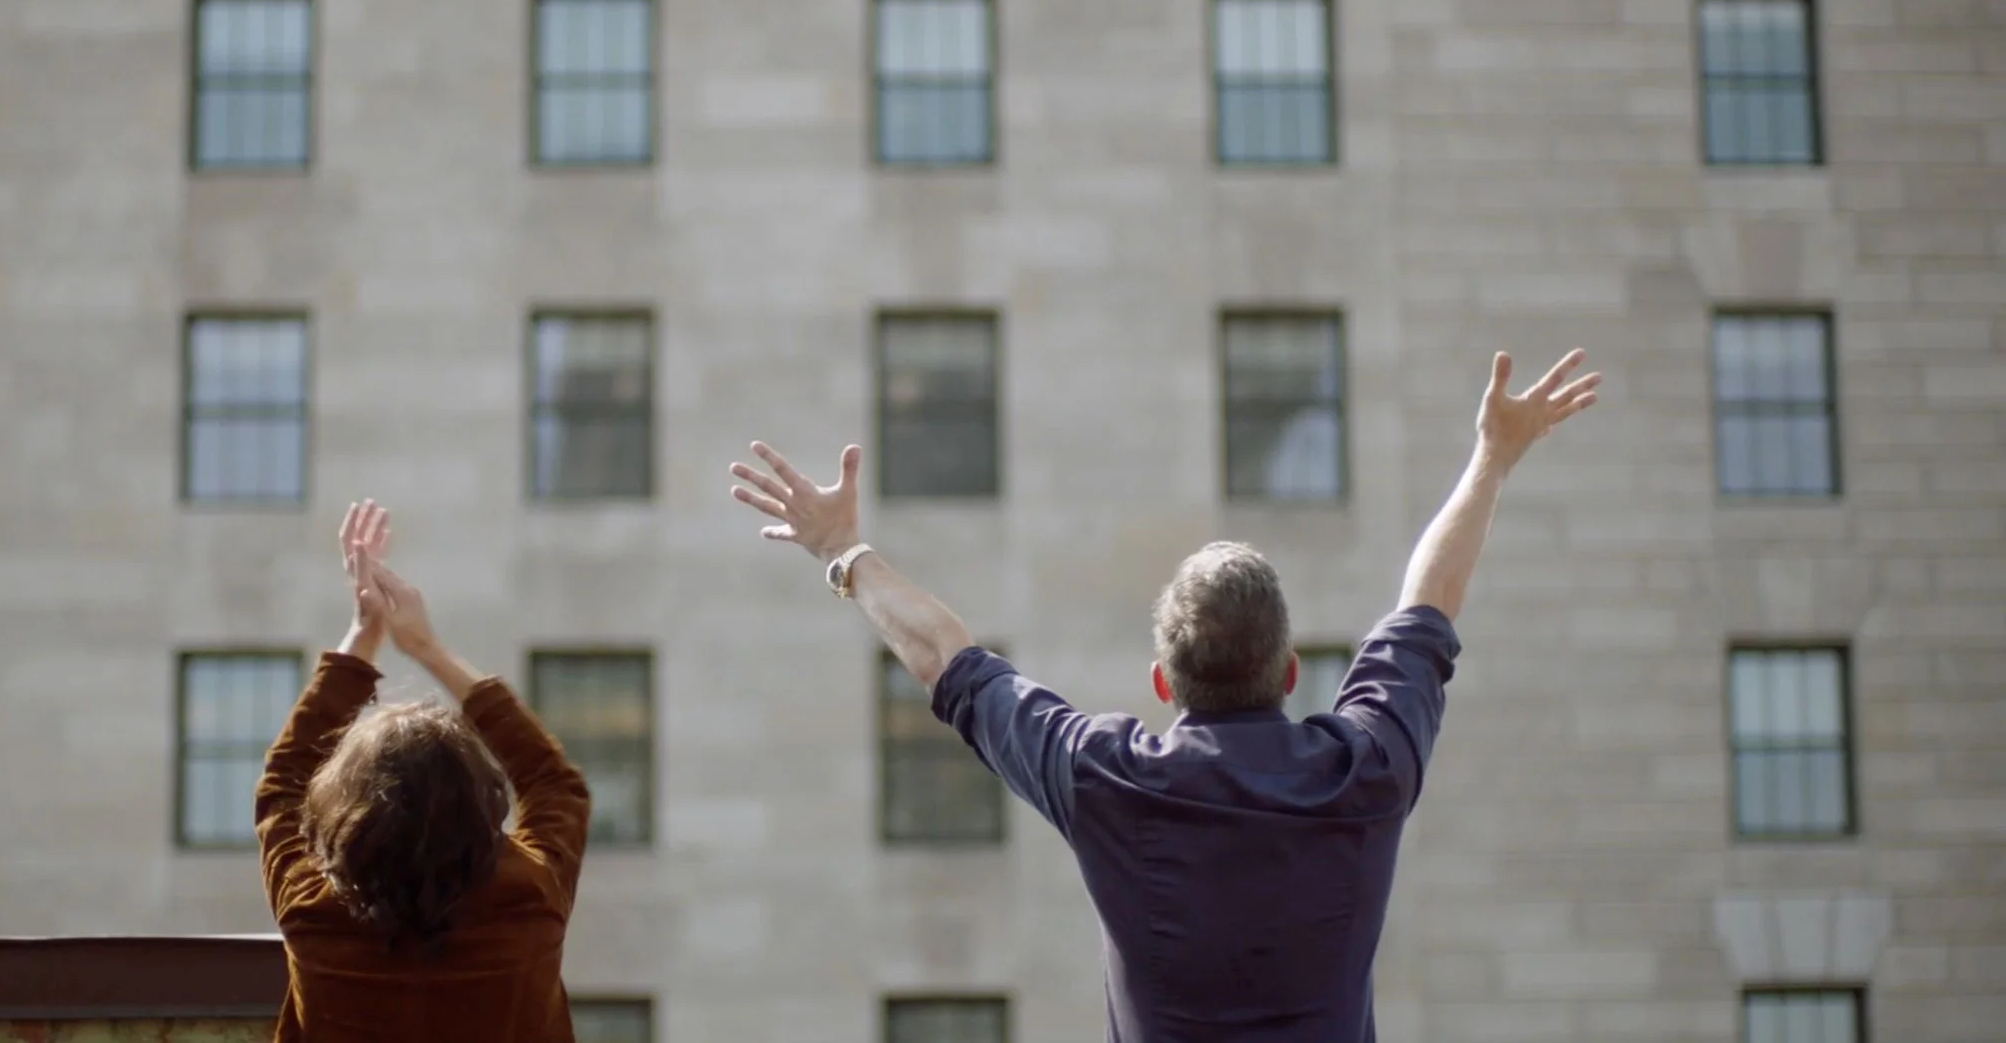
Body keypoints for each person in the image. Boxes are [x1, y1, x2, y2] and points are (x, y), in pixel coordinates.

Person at [728, 349, 1601, 1042]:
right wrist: (1491, 459)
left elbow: (944, 659)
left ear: (1163, 682)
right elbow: (1426, 607)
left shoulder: (1108, 778)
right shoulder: (1363, 770)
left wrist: (841, 552)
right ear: (1291, 672)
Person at [254, 501, 592, 1042]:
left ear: (348, 810)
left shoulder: (313, 910)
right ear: (480, 801)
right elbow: (555, 784)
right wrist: (427, 648)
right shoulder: (530, 897)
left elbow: (282, 784)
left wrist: (360, 641)